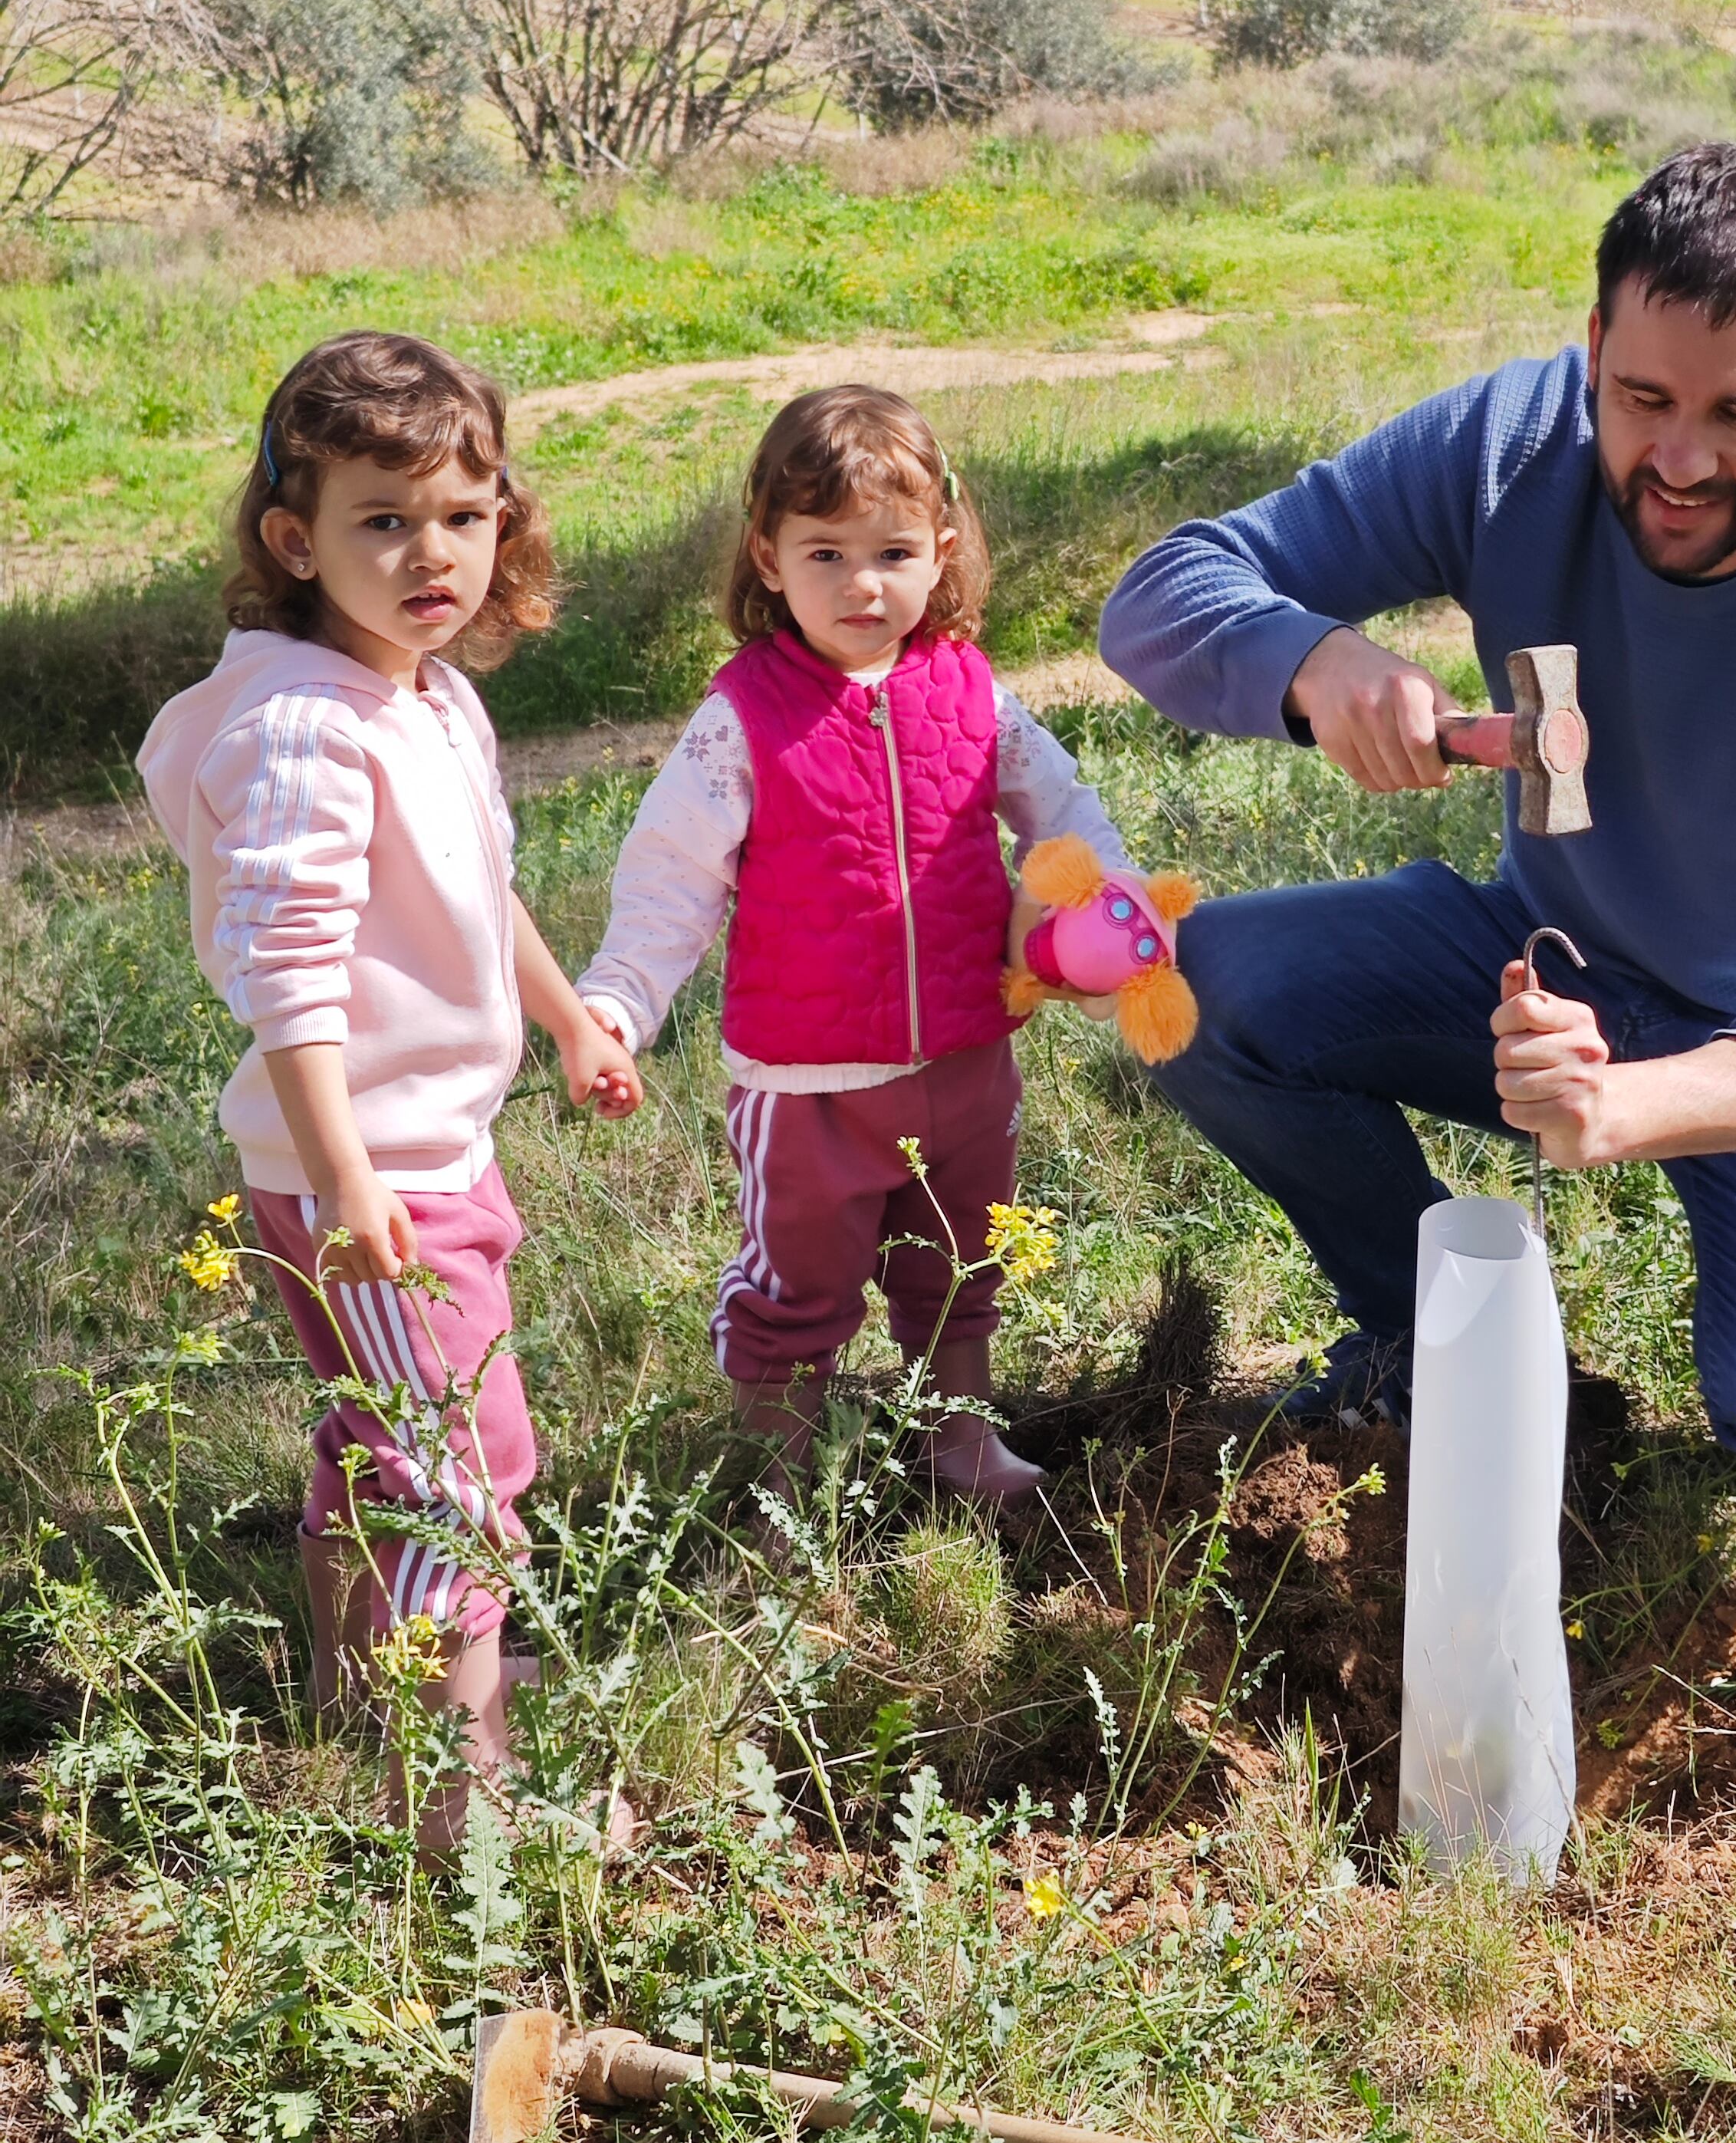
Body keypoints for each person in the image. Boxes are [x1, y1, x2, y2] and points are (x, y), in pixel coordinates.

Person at [1099, 143, 1736, 1506]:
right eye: (1641, 398)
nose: (1679, 461)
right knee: (1181, 991)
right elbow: (1161, 596)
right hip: (1550, 965)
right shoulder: (1512, 446)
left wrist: (1630, 1104)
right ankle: (1442, 1346)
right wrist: (1315, 661)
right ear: (1592, 347)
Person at [138, 331, 643, 1850]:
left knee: (386, 1449)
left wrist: (565, 1019)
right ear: (297, 541)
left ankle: (366, 1691)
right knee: (456, 1478)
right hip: (373, 1172)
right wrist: (348, 1175)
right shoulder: (311, 730)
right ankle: (462, 1807)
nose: (435, 553)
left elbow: (482, 890)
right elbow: (285, 969)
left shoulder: (420, 696)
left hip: (423, 1147)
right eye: (385, 520)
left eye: (466, 515)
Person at [578, 385, 1133, 1506]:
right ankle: (778, 1472)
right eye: (824, 552)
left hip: (969, 1058)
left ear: (942, 549)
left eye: (892, 551)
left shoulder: (974, 693)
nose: (861, 584)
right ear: (768, 558)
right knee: (801, 1284)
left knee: (958, 1261)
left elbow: (1061, 808)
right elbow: (670, 876)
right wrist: (619, 1001)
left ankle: (961, 1440)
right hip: (809, 1082)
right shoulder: (744, 716)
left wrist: (1112, 902)